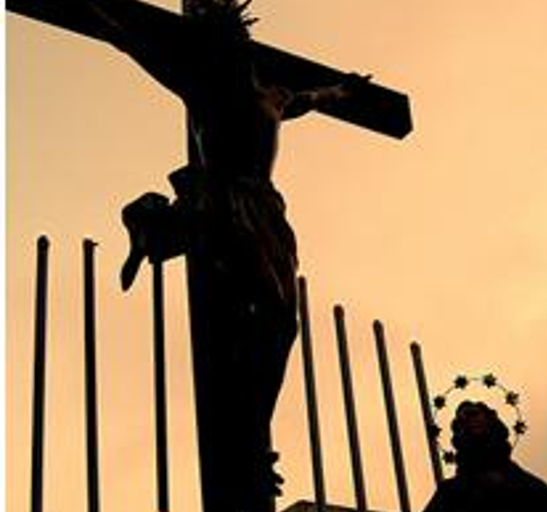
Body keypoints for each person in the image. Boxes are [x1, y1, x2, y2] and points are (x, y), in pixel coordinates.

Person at [84, 1, 369, 510]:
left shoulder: (275, 95)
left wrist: (346, 90)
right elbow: (133, 42)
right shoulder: (203, 87)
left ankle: (253, 432)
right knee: (247, 309)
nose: (235, 52)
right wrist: (101, 15)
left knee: (283, 321)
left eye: (238, 44)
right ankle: (157, 229)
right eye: (223, 43)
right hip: (223, 202)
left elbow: (317, 97)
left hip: (265, 208)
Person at [422, 401, 547, 512]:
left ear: (489, 419)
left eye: (474, 414)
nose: (470, 420)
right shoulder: (450, 492)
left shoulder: (525, 483)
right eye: (463, 420)